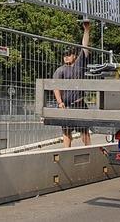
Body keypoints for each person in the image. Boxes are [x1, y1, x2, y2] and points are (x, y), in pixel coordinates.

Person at [53, 20, 91, 148]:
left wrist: (86, 30)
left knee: (84, 132)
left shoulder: (80, 64)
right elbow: (56, 87)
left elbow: (85, 47)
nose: (66, 57)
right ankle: (66, 153)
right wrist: (60, 102)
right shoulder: (60, 70)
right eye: (64, 55)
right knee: (66, 132)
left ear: (74, 55)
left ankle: (89, 151)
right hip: (67, 106)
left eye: (68, 54)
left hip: (80, 104)